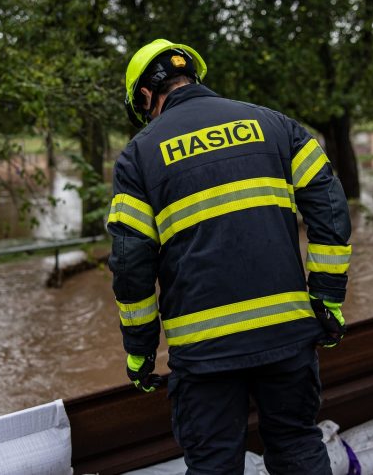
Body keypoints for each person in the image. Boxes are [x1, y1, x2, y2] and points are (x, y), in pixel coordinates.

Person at [107, 38, 352, 474]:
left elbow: (130, 264)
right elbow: (329, 205)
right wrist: (328, 298)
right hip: (287, 335)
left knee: (214, 464)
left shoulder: (139, 156)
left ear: (146, 96)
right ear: (193, 77)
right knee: (297, 444)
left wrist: (140, 350)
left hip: (204, 354)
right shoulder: (277, 126)